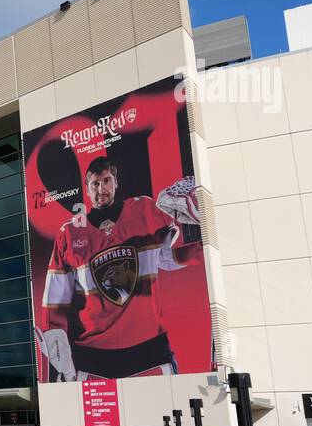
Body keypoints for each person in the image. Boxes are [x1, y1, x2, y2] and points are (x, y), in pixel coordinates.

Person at [38, 156, 201, 380]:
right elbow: (55, 303)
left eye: (106, 181)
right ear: (87, 189)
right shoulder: (69, 233)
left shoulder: (145, 210)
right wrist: (60, 361)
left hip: (149, 350)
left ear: (116, 182)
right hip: (93, 359)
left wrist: (197, 231)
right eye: (95, 183)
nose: (101, 189)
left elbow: (168, 257)